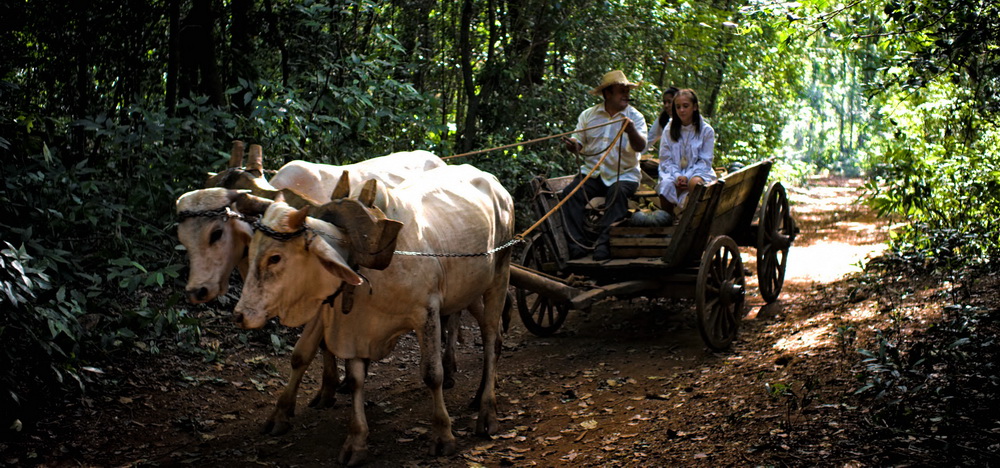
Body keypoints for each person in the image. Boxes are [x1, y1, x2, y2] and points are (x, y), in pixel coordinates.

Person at [561, 70, 648, 260]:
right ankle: (577, 245)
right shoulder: (589, 115)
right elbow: (579, 141)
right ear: (607, 93)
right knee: (569, 196)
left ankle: (603, 244)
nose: (626, 95)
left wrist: (631, 130)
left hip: (625, 175)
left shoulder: (636, 118)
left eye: (627, 91)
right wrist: (574, 146)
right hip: (593, 174)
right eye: (621, 91)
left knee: (617, 193)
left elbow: (641, 145)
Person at [656, 88, 716, 214]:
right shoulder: (669, 129)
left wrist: (687, 177)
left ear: (694, 107)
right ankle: (668, 219)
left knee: (695, 183)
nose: (681, 110)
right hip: (674, 172)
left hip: (698, 172)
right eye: (678, 107)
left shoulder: (706, 131)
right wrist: (678, 176)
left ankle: (693, 219)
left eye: (685, 106)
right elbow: (665, 159)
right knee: (666, 184)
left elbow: (705, 162)